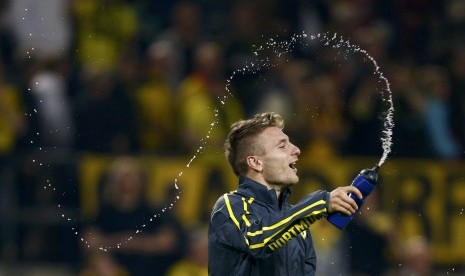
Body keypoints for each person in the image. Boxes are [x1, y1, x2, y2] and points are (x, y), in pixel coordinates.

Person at [208, 112, 365, 275]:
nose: (296, 150)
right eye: (282, 146)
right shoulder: (228, 206)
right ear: (255, 162)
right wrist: (320, 202)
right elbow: (256, 241)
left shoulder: (300, 227)